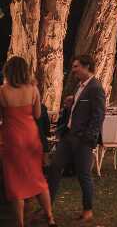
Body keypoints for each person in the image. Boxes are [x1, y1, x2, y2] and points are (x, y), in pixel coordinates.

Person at [47, 54, 106, 223]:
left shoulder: (95, 88)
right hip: (68, 136)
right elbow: (78, 111)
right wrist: (69, 105)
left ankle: (87, 210)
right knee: (55, 168)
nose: (73, 70)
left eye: (76, 67)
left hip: (82, 140)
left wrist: (88, 138)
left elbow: (99, 116)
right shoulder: (80, 86)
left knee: (83, 175)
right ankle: (47, 207)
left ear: (87, 67)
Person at [0, 56, 57, 227]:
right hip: (31, 137)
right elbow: (38, 115)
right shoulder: (33, 90)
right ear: (25, 71)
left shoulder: (2, 91)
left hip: (12, 138)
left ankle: (20, 223)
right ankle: (50, 218)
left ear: (7, 71)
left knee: (15, 183)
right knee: (38, 179)